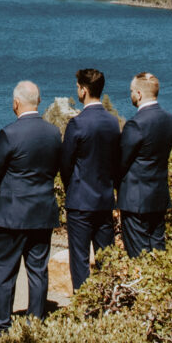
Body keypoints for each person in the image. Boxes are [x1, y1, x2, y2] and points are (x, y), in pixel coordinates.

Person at [0, 80, 61, 335]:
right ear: (38, 101)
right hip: (42, 210)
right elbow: (55, 169)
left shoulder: (9, 134)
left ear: (16, 103)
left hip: (12, 213)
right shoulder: (53, 133)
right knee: (38, 269)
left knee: (4, 270)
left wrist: (0, 197)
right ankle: (36, 322)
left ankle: (0, 326)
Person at [58, 66, 122, 292]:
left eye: (78, 87)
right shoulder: (113, 122)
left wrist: (71, 188)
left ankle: (83, 303)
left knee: (80, 258)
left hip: (80, 200)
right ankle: (107, 301)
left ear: (84, 90)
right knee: (106, 256)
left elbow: (65, 164)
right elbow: (116, 161)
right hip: (104, 198)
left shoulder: (77, 124)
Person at [118, 72, 172, 255]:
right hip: (158, 196)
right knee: (158, 251)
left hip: (135, 200)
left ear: (139, 94)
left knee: (138, 255)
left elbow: (120, 162)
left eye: (131, 91)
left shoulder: (136, 124)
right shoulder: (169, 119)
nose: (131, 95)